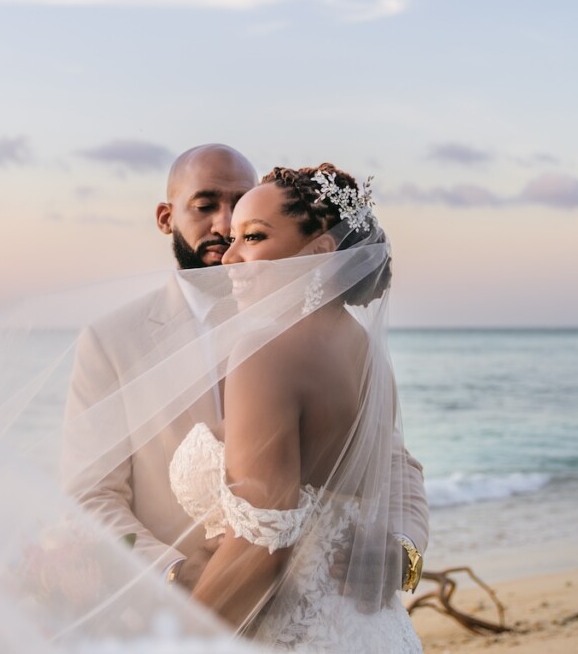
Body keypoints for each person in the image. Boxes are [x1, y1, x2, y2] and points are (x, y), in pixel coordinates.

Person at [63, 145, 427, 595]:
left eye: (239, 207)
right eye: (205, 205)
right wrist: (173, 573)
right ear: (165, 217)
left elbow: (391, 456)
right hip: (186, 603)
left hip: (317, 605)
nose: (222, 224)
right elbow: (90, 494)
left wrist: (403, 550)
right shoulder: (111, 341)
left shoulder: (314, 327)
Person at [172, 163, 423, 650]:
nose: (229, 259)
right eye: (233, 238)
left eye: (254, 237)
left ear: (321, 252)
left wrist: (176, 639)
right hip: (373, 631)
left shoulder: (265, 349)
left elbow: (263, 545)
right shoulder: (367, 352)